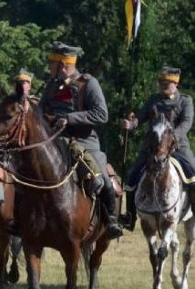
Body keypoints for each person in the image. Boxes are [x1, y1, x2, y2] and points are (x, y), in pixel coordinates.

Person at [39, 40, 123, 239]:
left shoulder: (88, 83)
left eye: (52, 62)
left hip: (84, 142)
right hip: (53, 142)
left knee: (101, 178)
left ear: (63, 64)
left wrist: (69, 118)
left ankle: (111, 219)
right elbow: (41, 111)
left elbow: (102, 114)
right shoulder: (51, 86)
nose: (48, 66)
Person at [119, 65, 195, 230]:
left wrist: (170, 138)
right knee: (131, 179)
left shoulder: (185, 101)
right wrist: (130, 124)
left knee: (194, 176)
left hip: (177, 148)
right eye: (161, 83)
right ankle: (130, 216)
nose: (163, 86)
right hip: (151, 149)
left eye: (166, 83)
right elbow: (140, 118)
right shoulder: (153, 100)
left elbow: (186, 123)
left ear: (176, 83)